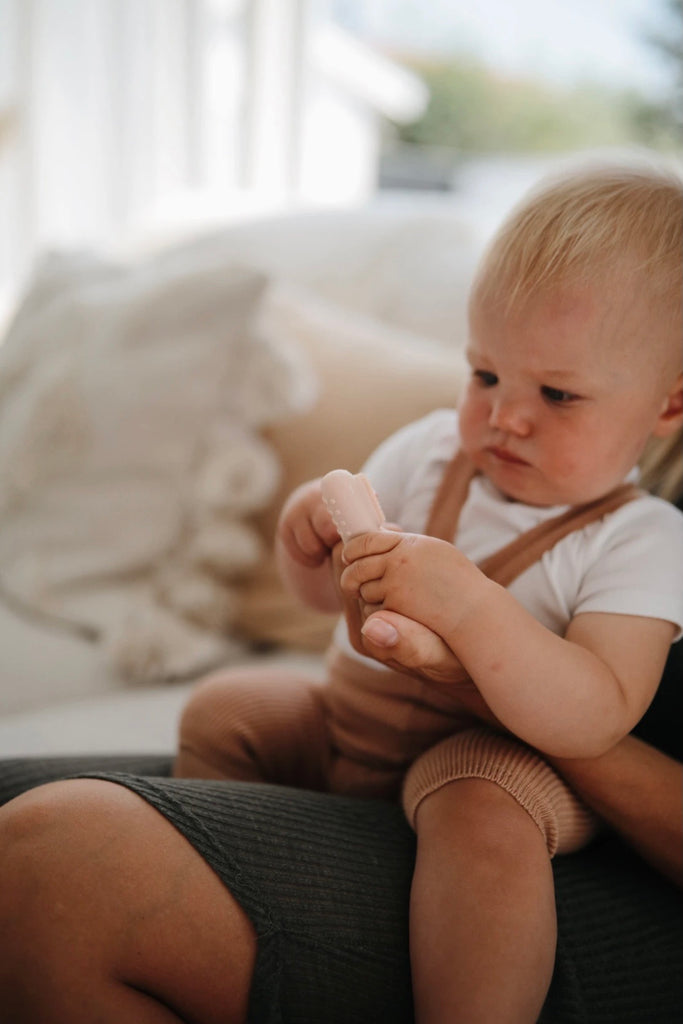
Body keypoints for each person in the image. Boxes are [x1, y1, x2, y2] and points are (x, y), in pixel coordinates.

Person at [0, 163, 682, 1024]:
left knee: (481, 814)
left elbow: (594, 714)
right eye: (484, 375)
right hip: (350, 719)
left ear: (667, 406)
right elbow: (331, 605)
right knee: (230, 706)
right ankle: (244, 874)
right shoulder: (435, 451)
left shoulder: (637, 537)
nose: (504, 416)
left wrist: (470, 609)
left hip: (491, 760)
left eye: (555, 393)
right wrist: (304, 543)